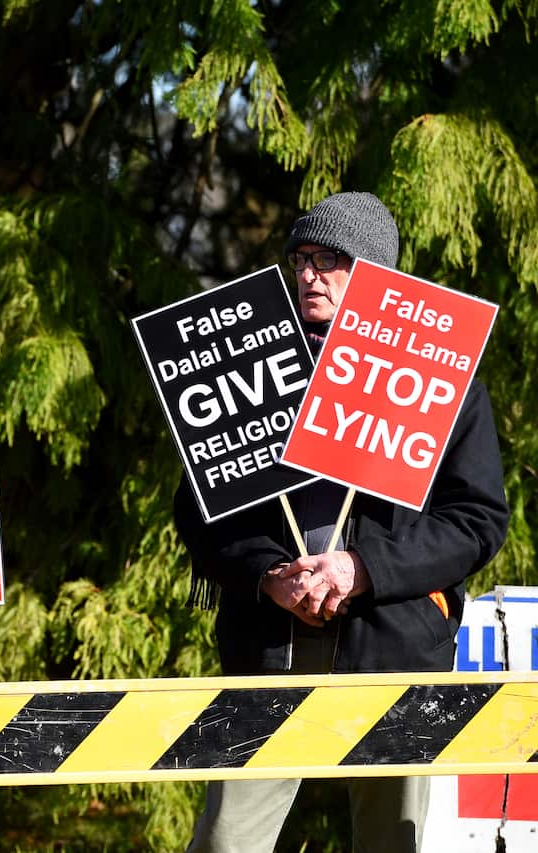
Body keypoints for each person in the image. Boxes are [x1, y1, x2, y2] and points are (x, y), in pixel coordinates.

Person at [173, 192, 510, 852]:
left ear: (375, 274)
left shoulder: (442, 377)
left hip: (397, 645)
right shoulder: (247, 372)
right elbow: (198, 509)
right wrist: (267, 573)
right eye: (299, 257)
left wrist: (362, 568)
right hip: (267, 645)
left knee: (393, 841)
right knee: (223, 841)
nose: (307, 273)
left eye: (330, 259)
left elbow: (476, 519)